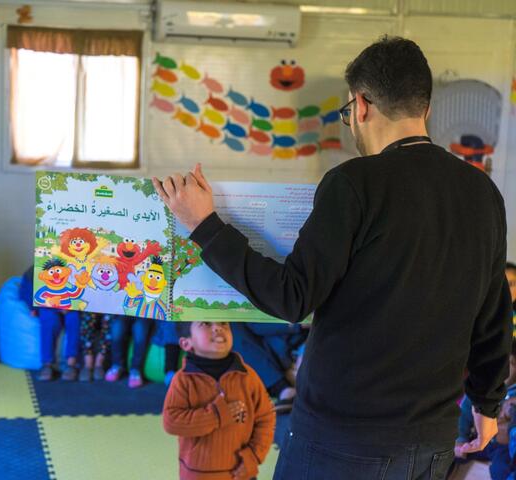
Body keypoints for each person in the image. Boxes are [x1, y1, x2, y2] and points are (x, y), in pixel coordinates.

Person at [153, 35, 512, 479]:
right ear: (427, 109)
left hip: (343, 440)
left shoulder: (354, 182)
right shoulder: (483, 194)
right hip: (433, 442)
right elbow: (493, 316)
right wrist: (487, 404)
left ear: (360, 105)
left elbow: (292, 297)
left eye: (347, 113)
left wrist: (203, 225)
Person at [163, 321, 275, 480]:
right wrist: (217, 415)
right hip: (198, 474)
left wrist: (254, 456)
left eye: (224, 323)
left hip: (241, 471)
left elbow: (266, 418)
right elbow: (172, 422)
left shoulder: (248, 376)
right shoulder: (182, 381)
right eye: (206, 324)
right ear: (186, 343)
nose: (218, 327)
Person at [455, 339, 516, 479]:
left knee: (499, 470)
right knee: (449, 453)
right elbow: (464, 413)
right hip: (478, 440)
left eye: (512, 364)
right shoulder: (482, 386)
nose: (505, 369)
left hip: (502, 446)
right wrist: (461, 439)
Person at [19, 265, 82, 381]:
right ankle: (47, 363)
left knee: (74, 318)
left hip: (71, 306)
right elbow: (27, 291)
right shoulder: (34, 271)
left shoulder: (75, 266)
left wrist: (70, 305)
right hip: (48, 306)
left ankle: (71, 363)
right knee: (49, 320)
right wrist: (35, 308)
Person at [105, 315, 152, 388]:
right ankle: (117, 365)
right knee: (116, 330)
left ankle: (135, 369)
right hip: (122, 313)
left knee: (140, 334)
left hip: (143, 314)